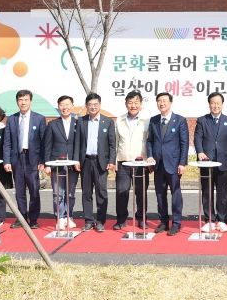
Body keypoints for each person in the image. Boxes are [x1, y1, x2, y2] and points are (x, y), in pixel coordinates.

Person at [194, 92, 227, 233]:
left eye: (218, 103)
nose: (215, 105)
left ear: (222, 104)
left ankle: (222, 220)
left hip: (223, 162)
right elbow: (197, 138)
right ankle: (209, 220)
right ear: (209, 104)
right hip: (206, 162)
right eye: (213, 103)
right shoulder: (202, 120)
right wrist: (200, 152)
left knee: (222, 193)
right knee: (207, 192)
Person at [146, 92, 189, 236]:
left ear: (170, 103)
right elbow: (149, 141)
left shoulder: (180, 120)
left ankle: (176, 223)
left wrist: (182, 163)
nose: (162, 103)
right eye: (159, 101)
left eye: (164, 101)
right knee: (160, 194)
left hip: (174, 163)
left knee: (175, 194)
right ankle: (163, 221)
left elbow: (184, 143)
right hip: (158, 164)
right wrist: (150, 156)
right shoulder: (153, 120)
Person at [2, 89, 47, 229]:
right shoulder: (12, 119)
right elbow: (7, 142)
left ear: (30, 101)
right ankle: (21, 217)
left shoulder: (39, 119)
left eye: (26, 100)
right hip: (17, 159)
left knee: (34, 190)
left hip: (33, 159)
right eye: (20, 100)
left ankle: (33, 219)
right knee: (19, 191)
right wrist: (7, 161)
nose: (23, 102)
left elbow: (44, 142)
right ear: (17, 102)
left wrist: (42, 161)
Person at [79, 92, 116, 232]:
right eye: (90, 104)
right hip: (86, 161)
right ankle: (88, 220)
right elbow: (77, 143)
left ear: (100, 105)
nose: (93, 107)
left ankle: (100, 221)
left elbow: (112, 144)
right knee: (86, 193)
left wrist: (111, 161)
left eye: (95, 104)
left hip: (101, 162)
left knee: (101, 192)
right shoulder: (81, 121)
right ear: (86, 106)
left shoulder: (108, 122)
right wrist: (77, 160)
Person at [114, 90, 150, 230]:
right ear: (126, 104)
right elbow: (115, 142)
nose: (133, 105)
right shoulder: (119, 120)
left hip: (141, 163)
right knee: (121, 192)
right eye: (130, 102)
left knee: (141, 193)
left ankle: (141, 218)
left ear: (141, 104)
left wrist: (149, 161)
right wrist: (114, 161)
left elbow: (150, 142)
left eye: (136, 102)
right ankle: (121, 220)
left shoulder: (147, 120)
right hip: (123, 162)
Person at [44, 95, 81, 231]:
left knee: (70, 193)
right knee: (58, 193)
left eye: (67, 104)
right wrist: (47, 164)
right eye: (62, 105)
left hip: (73, 164)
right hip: (56, 164)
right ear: (58, 107)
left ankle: (69, 216)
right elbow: (48, 145)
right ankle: (60, 217)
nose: (65, 107)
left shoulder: (78, 123)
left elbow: (80, 144)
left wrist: (77, 160)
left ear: (72, 106)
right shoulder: (52, 124)